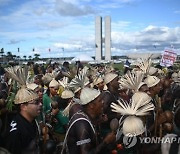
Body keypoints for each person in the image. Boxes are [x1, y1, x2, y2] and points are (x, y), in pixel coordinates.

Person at [61, 87, 116, 154]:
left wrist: (98, 121)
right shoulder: (81, 123)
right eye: (99, 101)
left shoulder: (89, 117)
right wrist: (105, 142)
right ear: (91, 105)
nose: (102, 103)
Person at [3, 66, 42, 154]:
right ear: (23, 106)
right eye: (36, 102)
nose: (40, 104)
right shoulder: (16, 133)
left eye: (39, 101)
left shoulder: (31, 122)